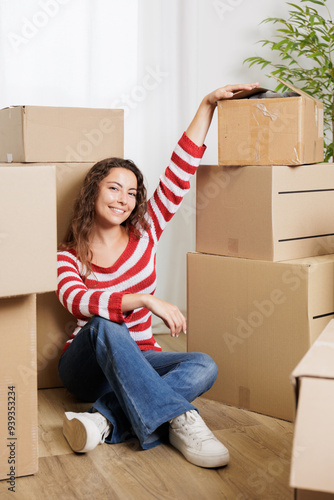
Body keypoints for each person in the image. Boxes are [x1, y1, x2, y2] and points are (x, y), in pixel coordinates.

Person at [57, 82, 259, 468]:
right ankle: (183, 418)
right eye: (114, 188)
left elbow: (179, 172)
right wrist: (144, 300)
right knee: (103, 325)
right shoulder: (67, 256)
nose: (123, 199)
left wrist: (208, 105)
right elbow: (79, 301)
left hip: (140, 358)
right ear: (92, 193)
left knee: (203, 364)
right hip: (86, 368)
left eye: (132, 193)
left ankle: (102, 421)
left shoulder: (145, 232)